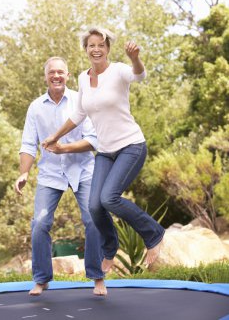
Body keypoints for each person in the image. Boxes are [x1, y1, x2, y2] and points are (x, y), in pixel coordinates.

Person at [42, 27, 165, 274]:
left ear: (108, 48)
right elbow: (78, 114)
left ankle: (154, 234)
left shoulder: (119, 70)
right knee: (95, 205)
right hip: (106, 152)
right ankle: (110, 248)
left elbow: (139, 76)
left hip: (131, 146)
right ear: (86, 49)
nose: (96, 49)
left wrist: (135, 59)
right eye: (91, 45)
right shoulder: (82, 78)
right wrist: (55, 136)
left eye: (101, 45)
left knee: (109, 198)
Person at [14, 56, 107, 296]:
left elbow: (93, 141)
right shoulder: (35, 107)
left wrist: (63, 147)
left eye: (60, 72)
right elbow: (27, 144)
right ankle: (42, 279)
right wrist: (23, 173)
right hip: (50, 174)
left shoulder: (80, 101)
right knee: (39, 224)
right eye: (51, 72)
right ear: (46, 76)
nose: (56, 76)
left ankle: (97, 277)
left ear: (67, 75)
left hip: (83, 170)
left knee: (93, 220)